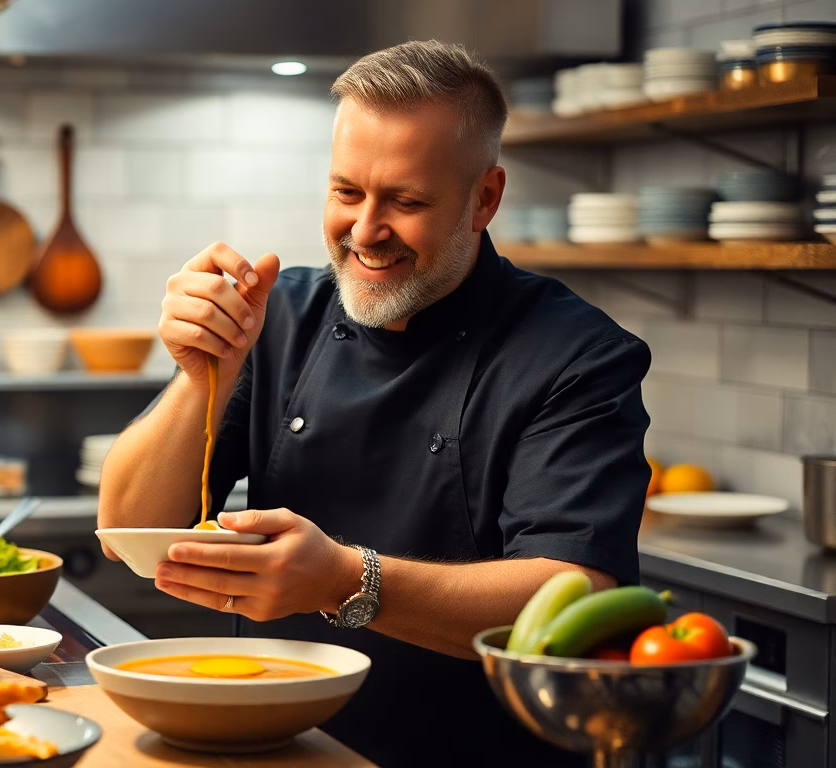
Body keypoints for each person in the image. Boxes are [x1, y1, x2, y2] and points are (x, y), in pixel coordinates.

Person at [96, 40, 652, 767]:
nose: (364, 232)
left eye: (407, 201)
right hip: (273, 748)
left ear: (484, 198)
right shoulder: (282, 313)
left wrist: (347, 579)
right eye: (346, 192)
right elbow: (125, 528)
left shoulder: (576, 354)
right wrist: (204, 372)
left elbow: (570, 595)